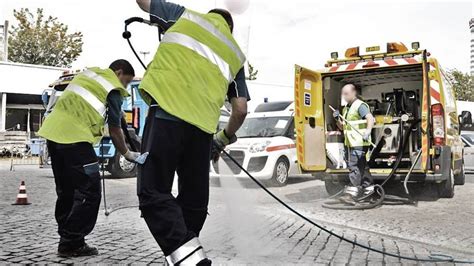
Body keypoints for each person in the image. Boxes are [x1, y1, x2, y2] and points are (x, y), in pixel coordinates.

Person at [135, 0, 250, 264]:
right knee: (194, 200)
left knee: (153, 191)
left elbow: (143, 2)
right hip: (202, 132)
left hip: (166, 114)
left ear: (209, 16)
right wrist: (221, 140)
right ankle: (186, 254)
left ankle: (190, 260)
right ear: (229, 29)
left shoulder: (183, 16)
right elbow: (240, 109)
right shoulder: (235, 53)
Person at [38, 59, 145, 257]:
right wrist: (128, 154)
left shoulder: (89, 74)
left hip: (53, 135)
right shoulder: (113, 88)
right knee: (90, 190)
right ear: (119, 72)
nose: (125, 87)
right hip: (75, 139)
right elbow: (115, 130)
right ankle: (71, 242)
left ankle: (68, 237)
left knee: (67, 190)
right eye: (127, 82)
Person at [333, 84, 375, 203]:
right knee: (362, 166)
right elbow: (342, 127)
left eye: (346, 93)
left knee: (354, 166)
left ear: (354, 93)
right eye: (343, 94)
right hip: (350, 143)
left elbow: (370, 118)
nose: (344, 96)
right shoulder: (347, 108)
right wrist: (337, 119)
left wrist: (368, 130)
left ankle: (351, 194)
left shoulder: (359, 105)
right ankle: (369, 189)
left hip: (359, 142)